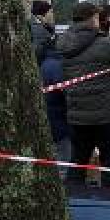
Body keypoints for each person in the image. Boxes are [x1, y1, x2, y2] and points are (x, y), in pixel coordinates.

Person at [57, 1, 110, 189]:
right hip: (109, 117)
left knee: (78, 163)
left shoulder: (63, 44)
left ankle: (74, 203)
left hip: (78, 117)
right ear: (93, 18)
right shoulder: (105, 44)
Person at [38, 45, 72, 178]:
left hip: (50, 118)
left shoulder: (44, 63)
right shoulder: (56, 66)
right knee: (64, 161)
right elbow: (65, 93)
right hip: (58, 123)